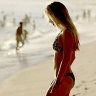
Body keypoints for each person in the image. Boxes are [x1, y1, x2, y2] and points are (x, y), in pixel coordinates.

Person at [44, 1, 80, 96]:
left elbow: (67, 58)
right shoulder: (64, 32)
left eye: (49, 17)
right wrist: (59, 77)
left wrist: (59, 80)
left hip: (64, 78)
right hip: (63, 77)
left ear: (56, 16)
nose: (49, 21)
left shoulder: (67, 33)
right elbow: (72, 57)